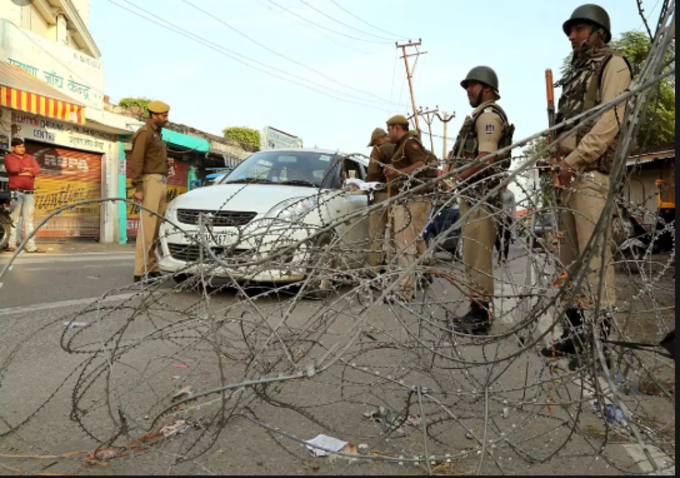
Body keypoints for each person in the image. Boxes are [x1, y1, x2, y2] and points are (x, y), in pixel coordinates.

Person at [541, 4, 632, 360]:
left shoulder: (614, 65)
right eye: (570, 30)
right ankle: (575, 333)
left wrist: (573, 160)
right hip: (566, 174)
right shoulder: (576, 75)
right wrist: (555, 159)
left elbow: (609, 122)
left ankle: (598, 340)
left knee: (594, 261)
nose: (571, 36)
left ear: (598, 32)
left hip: (590, 172)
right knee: (570, 262)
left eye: (578, 29)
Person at [447, 66, 514, 334]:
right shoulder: (479, 116)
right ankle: (476, 308)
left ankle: (481, 315)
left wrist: (458, 177)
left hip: (482, 197)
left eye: (472, 86)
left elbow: (486, 157)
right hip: (473, 196)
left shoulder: (488, 116)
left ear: (487, 88)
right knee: (472, 258)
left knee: (479, 259)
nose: (468, 91)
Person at [384, 115, 437, 301]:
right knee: (412, 241)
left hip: (412, 201)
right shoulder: (403, 145)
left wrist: (398, 171)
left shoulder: (409, 142)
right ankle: (423, 273)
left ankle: (405, 291)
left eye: (389, 129)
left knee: (404, 245)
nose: (387, 133)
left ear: (397, 128)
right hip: (415, 200)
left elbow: (420, 164)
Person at [130, 100, 171, 282]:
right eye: (164, 116)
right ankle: (140, 271)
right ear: (154, 115)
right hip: (149, 182)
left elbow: (152, 159)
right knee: (147, 228)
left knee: (156, 229)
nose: (167, 119)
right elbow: (137, 161)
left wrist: (166, 163)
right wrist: (138, 187)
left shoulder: (158, 135)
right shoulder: (144, 133)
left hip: (161, 181)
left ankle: (153, 267)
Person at [4, 138, 45, 253]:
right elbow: (12, 169)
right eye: (19, 147)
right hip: (16, 192)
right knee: (13, 220)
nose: (22, 149)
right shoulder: (8, 158)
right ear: (13, 147)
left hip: (29, 193)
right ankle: (11, 245)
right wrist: (27, 170)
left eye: (23, 146)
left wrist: (25, 171)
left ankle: (31, 246)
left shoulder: (30, 157)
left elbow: (37, 170)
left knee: (29, 221)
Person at [366, 127, 395, 273]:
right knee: (397, 233)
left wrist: (369, 187)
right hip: (399, 194)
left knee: (376, 233)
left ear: (377, 141)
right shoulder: (399, 147)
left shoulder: (378, 150)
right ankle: (397, 270)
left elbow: (372, 172)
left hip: (382, 193)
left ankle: (374, 271)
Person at [495, 184, 516, 264]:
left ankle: (505, 257)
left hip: (507, 218)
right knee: (496, 239)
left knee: (506, 239)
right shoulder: (496, 193)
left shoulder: (511, 194)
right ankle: (500, 253)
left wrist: (513, 219)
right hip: (497, 217)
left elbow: (513, 208)